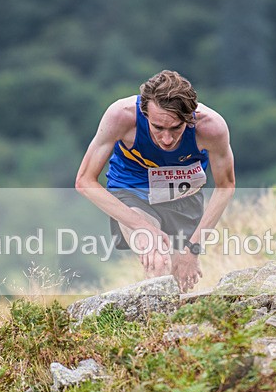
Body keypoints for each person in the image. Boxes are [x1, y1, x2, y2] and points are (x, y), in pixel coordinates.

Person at [75, 70, 236, 293]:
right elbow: (85, 181)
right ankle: (157, 326)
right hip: (132, 190)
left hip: (183, 196)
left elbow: (225, 187)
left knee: (181, 276)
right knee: (158, 261)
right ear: (144, 114)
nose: (167, 139)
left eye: (176, 128)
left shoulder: (211, 127)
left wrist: (193, 248)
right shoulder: (121, 116)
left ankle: (174, 324)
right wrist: (143, 227)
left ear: (190, 117)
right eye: (158, 128)